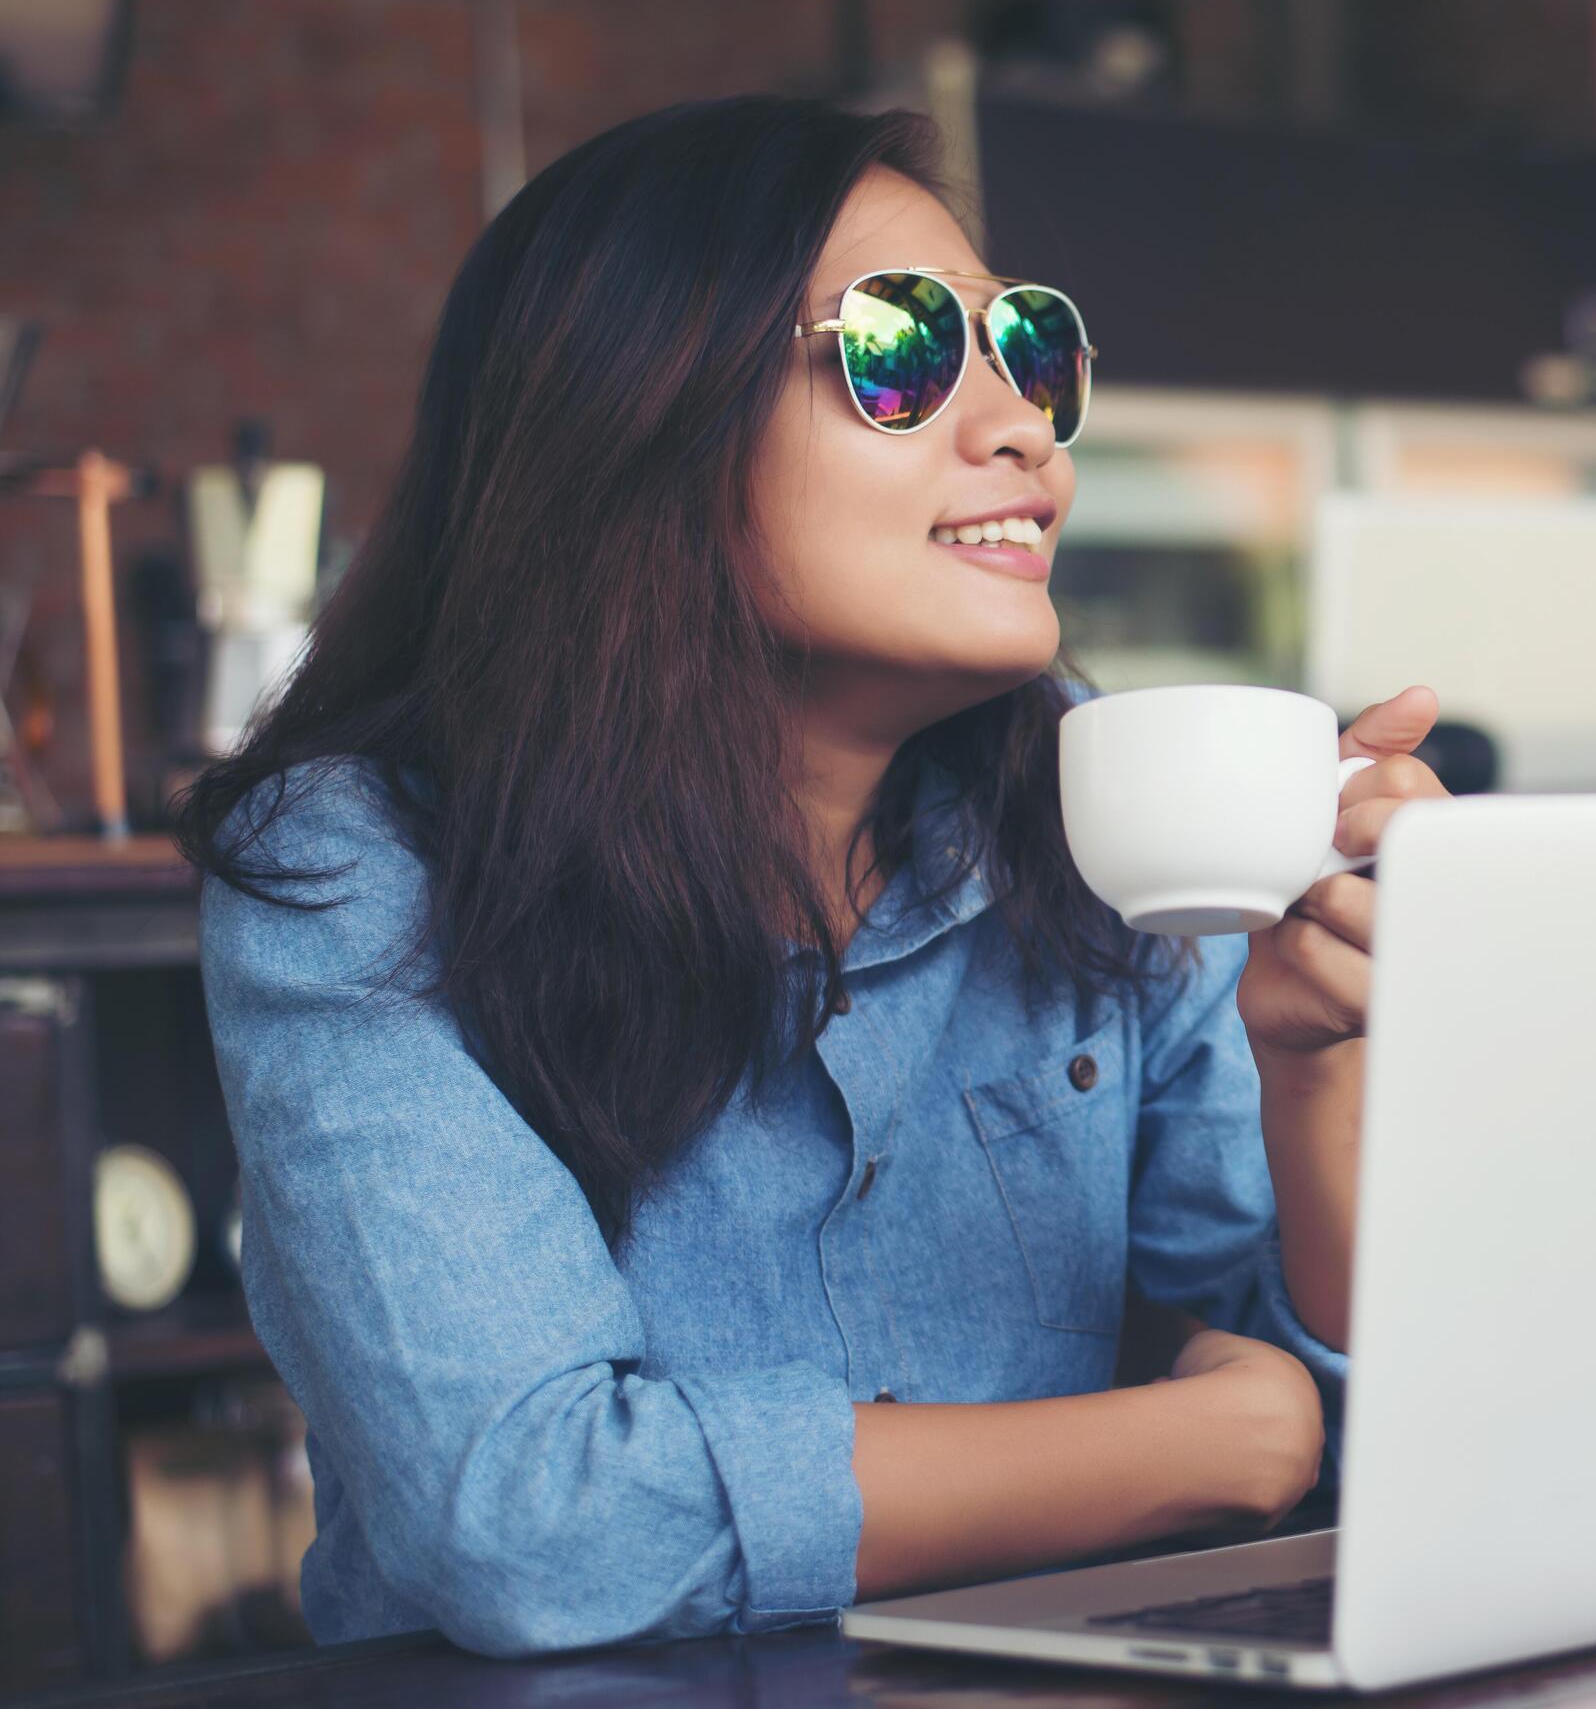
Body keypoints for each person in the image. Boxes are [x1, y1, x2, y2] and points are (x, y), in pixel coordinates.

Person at [178, 97, 1446, 1655]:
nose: (1023, 431)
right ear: (636, 417)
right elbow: (526, 1521)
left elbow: (1348, 1422)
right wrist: (1187, 1450)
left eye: (1030, 354)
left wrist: (1314, 1067)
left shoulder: (1107, 818)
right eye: (901, 352)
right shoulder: (362, 865)